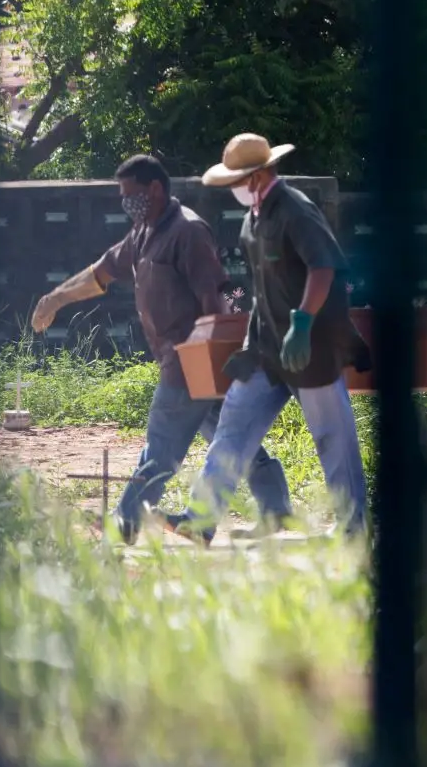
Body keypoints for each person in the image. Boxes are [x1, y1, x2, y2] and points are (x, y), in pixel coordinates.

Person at [30, 154, 292, 543]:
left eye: (130, 194)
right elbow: (100, 273)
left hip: (190, 362)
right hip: (190, 365)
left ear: (154, 189)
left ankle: (127, 521)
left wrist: (218, 356)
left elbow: (216, 296)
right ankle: (276, 509)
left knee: (161, 445)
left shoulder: (188, 231)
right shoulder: (143, 233)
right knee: (232, 437)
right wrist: (55, 298)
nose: (126, 202)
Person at [165, 133, 371, 545]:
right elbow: (262, 290)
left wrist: (303, 323)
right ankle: (200, 521)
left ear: (257, 177)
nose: (232, 189)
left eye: (235, 181)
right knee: (233, 428)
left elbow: (324, 269)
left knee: (333, 437)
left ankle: (354, 528)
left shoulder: (296, 210)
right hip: (267, 350)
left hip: (311, 347)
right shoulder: (252, 222)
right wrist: (251, 345)